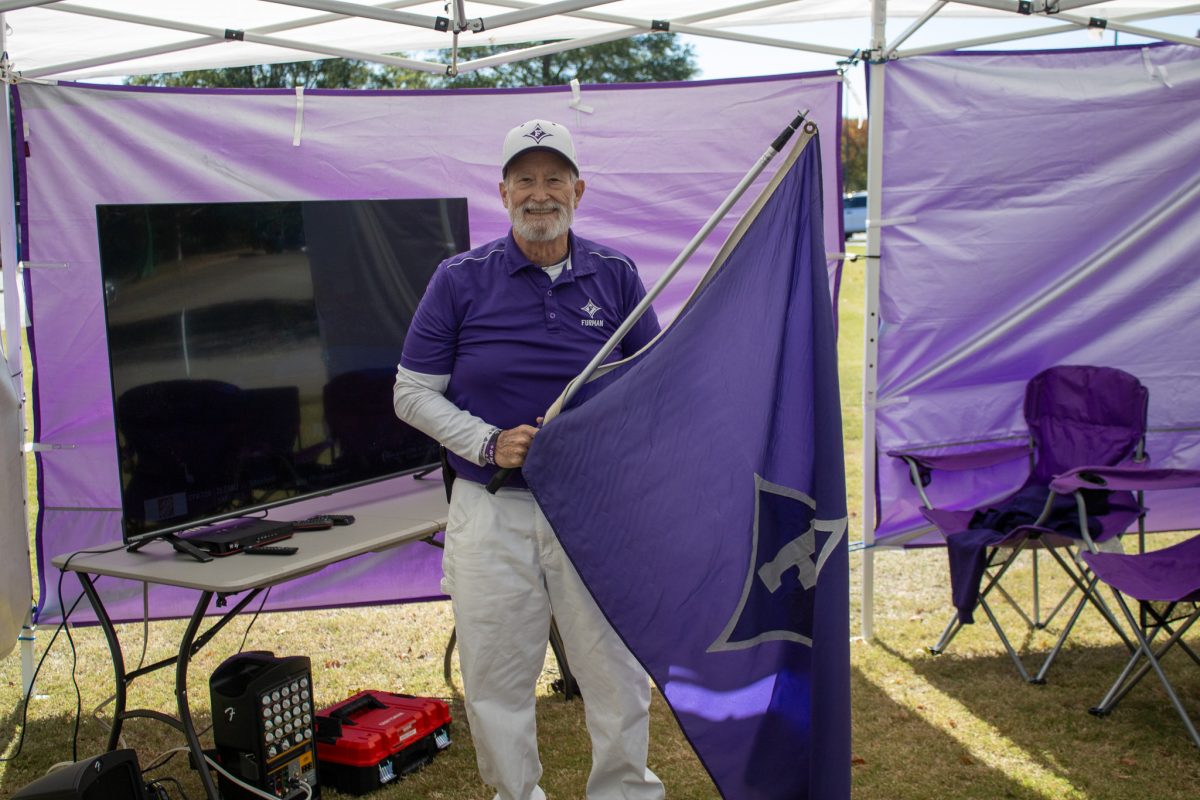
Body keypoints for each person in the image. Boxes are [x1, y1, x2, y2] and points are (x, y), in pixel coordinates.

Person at [393, 119, 664, 800]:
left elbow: (654, 386)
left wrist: (596, 434)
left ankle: (625, 793)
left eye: (552, 180)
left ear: (578, 189)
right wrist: (487, 441)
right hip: (491, 511)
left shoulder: (616, 275)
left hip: (593, 511)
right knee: (497, 679)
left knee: (615, 674)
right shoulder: (459, 280)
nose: (539, 194)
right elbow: (410, 393)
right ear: (503, 191)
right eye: (525, 180)